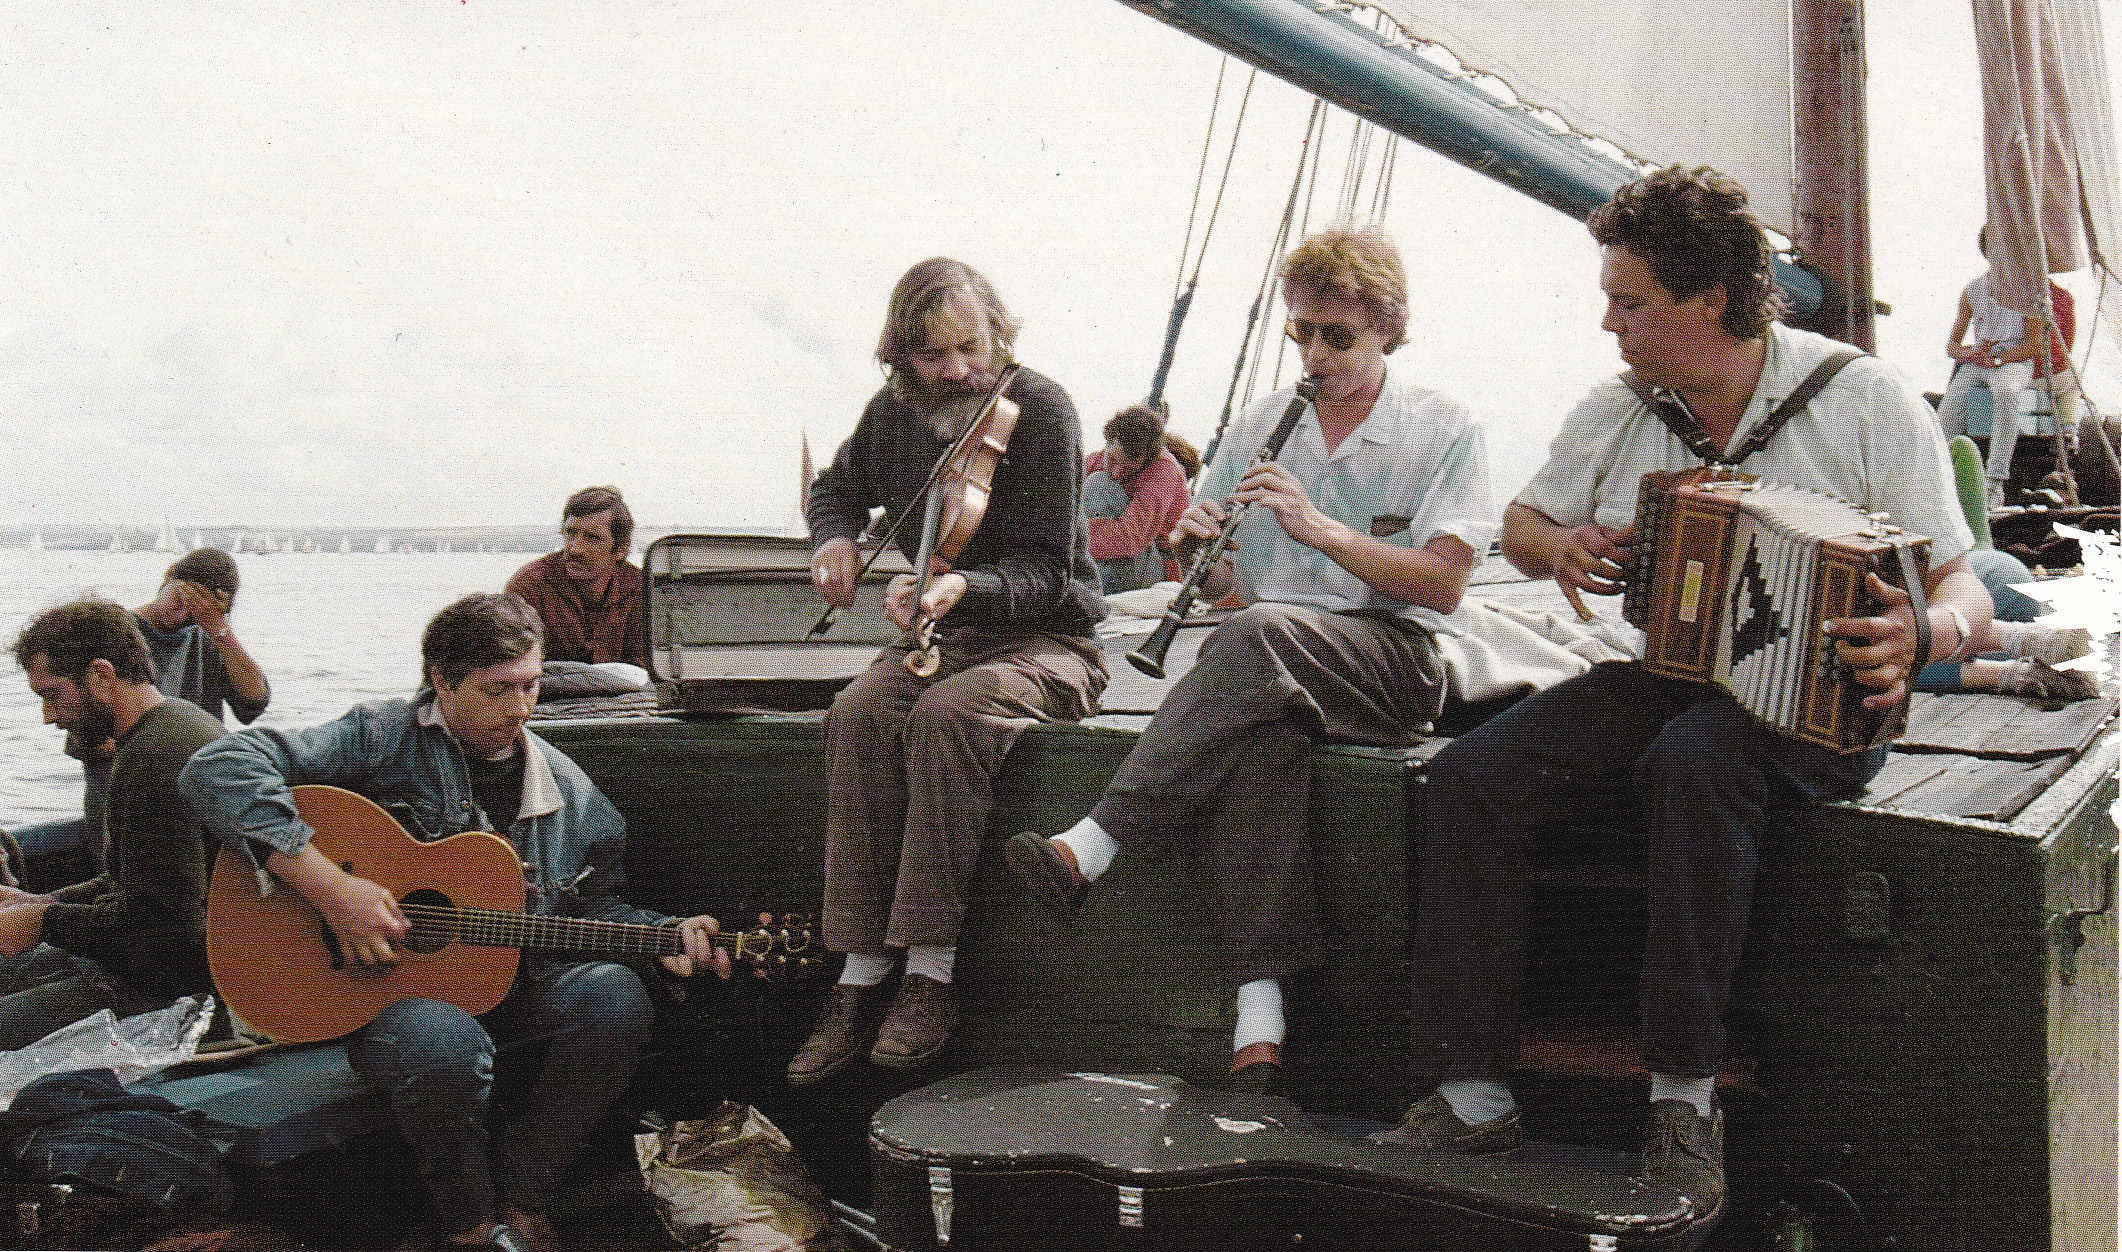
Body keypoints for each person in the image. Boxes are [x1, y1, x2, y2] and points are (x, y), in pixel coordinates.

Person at [1375, 167, 1993, 1221]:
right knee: (1475, 776)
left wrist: (1924, 634)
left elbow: (1960, 581)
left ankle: (1683, 1097)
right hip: (1671, 676)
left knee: (1696, 759)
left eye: (1629, 302)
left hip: (1826, 703)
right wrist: (1563, 546)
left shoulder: (1864, 398)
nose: (1607, 324)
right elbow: (1520, 527)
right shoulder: (1619, 409)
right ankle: (1473, 1091)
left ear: (1710, 299)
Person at [1009, 224, 1492, 1091]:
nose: (1314, 354)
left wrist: (1320, 529)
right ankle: (1261, 1023)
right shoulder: (1263, 423)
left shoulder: (1443, 427)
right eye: (1301, 331)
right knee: (1257, 737)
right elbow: (1232, 582)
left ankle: (1097, 842)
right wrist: (1198, 550)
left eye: (1337, 336)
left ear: (1388, 329)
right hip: (1271, 656)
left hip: (1394, 659)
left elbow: (1445, 585)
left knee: (1258, 637)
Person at [180, 592, 727, 1252]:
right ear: (441, 681)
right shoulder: (384, 737)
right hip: (390, 996)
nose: (520, 709)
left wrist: (663, 936)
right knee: (441, 1043)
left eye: (530, 685)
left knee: (615, 996)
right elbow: (217, 767)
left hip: (511, 987)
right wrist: (331, 887)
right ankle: (468, 1223)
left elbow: (591, 911)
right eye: (497, 690)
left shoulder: (569, 792)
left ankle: (526, 1195)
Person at [789, 257, 1107, 1085]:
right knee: (858, 712)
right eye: (934, 356)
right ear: (901, 359)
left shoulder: (1042, 411)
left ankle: (929, 974)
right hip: (950, 636)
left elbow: (1051, 573)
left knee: (946, 714)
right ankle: (860, 972)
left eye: (972, 347)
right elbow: (835, 488)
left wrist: (965, 587)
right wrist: (833, 539)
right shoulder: (893, 414)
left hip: (1050, 641)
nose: (960, 369)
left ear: (998, 333)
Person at [0, 599, 223, 1048]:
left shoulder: (153, 758)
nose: (48, 716)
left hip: (164, 991)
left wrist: (44, 922)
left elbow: (168, 925)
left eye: (52, 695)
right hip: (149, 966)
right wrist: (45, 900)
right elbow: (134, 883)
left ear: (101, 676)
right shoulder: (178, 722)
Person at [13, 547, 269, 868]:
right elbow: (89, 739)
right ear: (167, 578)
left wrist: (220, 631)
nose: (183, 615)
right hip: (126, 807)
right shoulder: (116, 635)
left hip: (187, 806)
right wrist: (174, 757)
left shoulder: (206, 638)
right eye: (180, 599)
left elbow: (254, 703)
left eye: (197, 610)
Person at [1934, 228, 2068, 509]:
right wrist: (1972, 354)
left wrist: (2000, 360)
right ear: (1986, 252)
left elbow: (2034, 346)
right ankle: (1940, 480)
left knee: (2006, 392)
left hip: (2014, 360)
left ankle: (1994, 482)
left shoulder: (2029, 291)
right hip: (1979, 361)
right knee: (1948, 409)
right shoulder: (1973, 290)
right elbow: (1952, 346)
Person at [504, 486, 649, 671]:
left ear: (621, 549)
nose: (575, 549)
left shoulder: (641, 589)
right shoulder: (530, 586)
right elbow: (513, 667)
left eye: (592, 538)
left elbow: (646, 669)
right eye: (570, 533)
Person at [1084, 404, 1193, 593]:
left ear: (1147, 460)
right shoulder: (1097, 459)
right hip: (1116, 556)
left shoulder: (1164, 472)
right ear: (1108, 443)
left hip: (1155, 565)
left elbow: (1129, 539)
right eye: (1113, 461)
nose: (1117, 474)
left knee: (1098, 483)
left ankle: (1090, 589)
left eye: (1129, 468)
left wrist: (1069, 538)